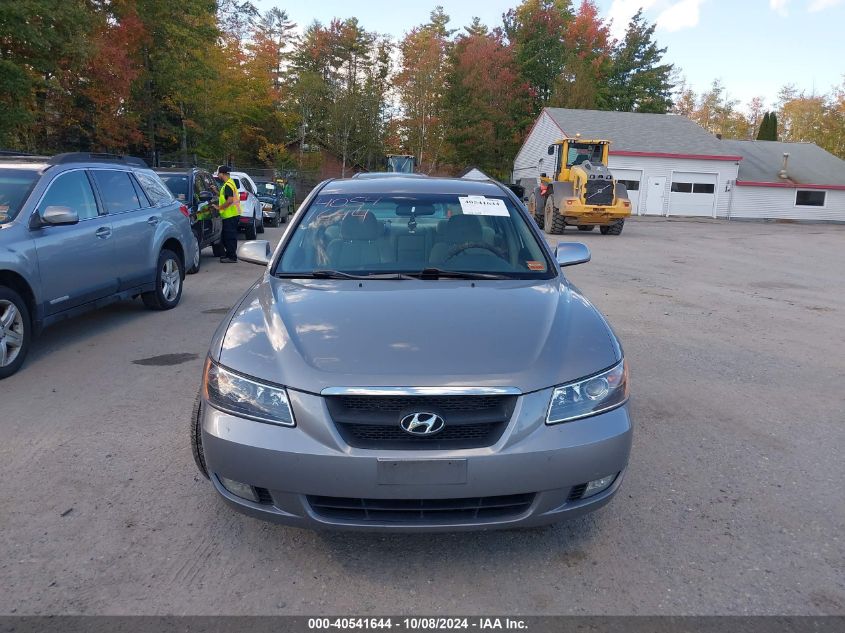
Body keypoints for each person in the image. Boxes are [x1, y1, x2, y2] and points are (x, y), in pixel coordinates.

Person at [215, 165, 240, 263]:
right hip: (231, 215)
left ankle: (232, 257)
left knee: (230, 237)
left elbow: (229, 201)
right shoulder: (229, 183)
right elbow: (225, 197)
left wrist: (219, 207)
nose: (218, 175)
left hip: (231, 215)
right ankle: (229, 255)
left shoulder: (228, 185)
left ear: (222, 173)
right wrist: (216, 191)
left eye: (218, 173)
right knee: (227, 236)